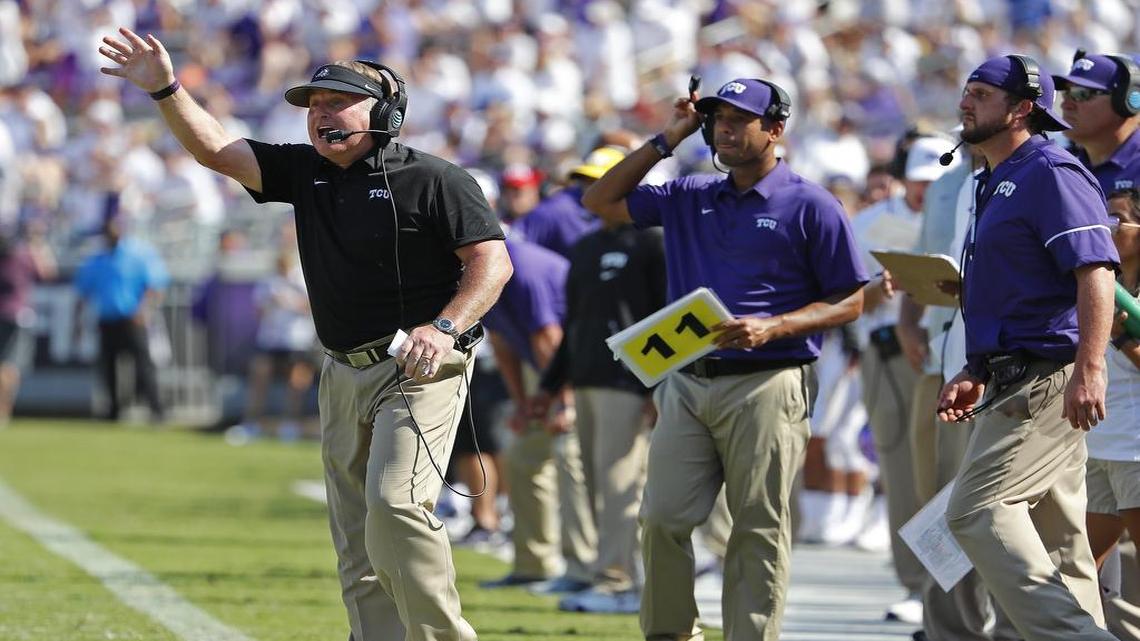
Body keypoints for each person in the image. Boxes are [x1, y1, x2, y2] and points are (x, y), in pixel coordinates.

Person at [98, 28, 512, 641]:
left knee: (396, 506)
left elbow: (492, 263)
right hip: (341, 369)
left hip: (420, 368)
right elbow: (216, 149)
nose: (321, 116)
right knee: (354, 538)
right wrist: (165, 87)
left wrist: (445, 328)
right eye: (313, 106)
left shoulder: (438, 179)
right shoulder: (305, 171)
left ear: (387, 113)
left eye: (336, 102)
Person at [583, 77, 869, 641]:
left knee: (757, 528)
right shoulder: (691, 193)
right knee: (661, 517)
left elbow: (851, 300)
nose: (725, 129)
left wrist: (775, 325)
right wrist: (667, 138)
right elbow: (599, 201)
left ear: (776, 130)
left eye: (741, 119)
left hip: (768, 381)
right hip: (686, 381)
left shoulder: (812, 203)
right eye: (717, 118)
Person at [937, 54, 1120, 641]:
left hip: (1046, 380)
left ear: (1021, 110)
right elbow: (1011, 288)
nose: (966, 102)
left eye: (983, 94)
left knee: (974, 511)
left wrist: (1090, 370)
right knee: (1062, 543)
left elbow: (1095, 272)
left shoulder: (1050, 171)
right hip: (1014, 374)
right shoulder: (995, 175)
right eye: (966, 90)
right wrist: (975, 367)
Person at [532, 166, 667, 613]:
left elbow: (666, 315)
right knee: (595, 484)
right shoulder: (585, 247)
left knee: (620, 483)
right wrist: (552, 384)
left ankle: (620, 581)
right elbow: (575, 324)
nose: (593, 190)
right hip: (588, 376)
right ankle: (604, 572)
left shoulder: (652, 241)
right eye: (588, 183)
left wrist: (657, 385)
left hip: (627, 381)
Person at [848, 134, 957, 623]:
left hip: (948, 353)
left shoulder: (963, 204)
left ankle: (952, 591)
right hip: (890, 354)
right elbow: (843, 295)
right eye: (918, 181)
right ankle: (915, 584)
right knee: (901, 473)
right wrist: (878, 289)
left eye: (934, 181)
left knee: (945, 476)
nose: (925, 190)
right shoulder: (871, 222)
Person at [1054, 52, 1140, 638]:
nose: (1070, 101)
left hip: (1131, 421)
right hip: (1099, 418)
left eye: (1086, 93)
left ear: (1130, 102)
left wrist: (1122, 324)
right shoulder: (1068, 162)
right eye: (1067, 90)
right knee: (1076, 563)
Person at [478, 235, 597, 595]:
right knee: (521, 459)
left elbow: (550, 338)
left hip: (581, 366)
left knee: (569, 459)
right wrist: (521, 403)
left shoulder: (523, 268)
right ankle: (534, 565)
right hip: (542, 369)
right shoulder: (475, 268)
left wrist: (563, 402)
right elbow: (501, 340)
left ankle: (584, 568)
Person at [1084, 188, 1140, 623]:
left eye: (1118, 220)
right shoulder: (1100, 282)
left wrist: (1119, 336)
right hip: (1096, 443)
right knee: (1080, 566)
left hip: (1135, 448)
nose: (1107, 228)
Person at [74, 208, 168, 422]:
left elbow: (156, 286)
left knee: (144, 366)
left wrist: (144, 310)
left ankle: (156, 409)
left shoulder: (138, 255)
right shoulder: (97, 260)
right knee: (109, 368)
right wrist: (78, 323)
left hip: (133, 319)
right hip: (108, 319)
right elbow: (83, 292)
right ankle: (114, 411)